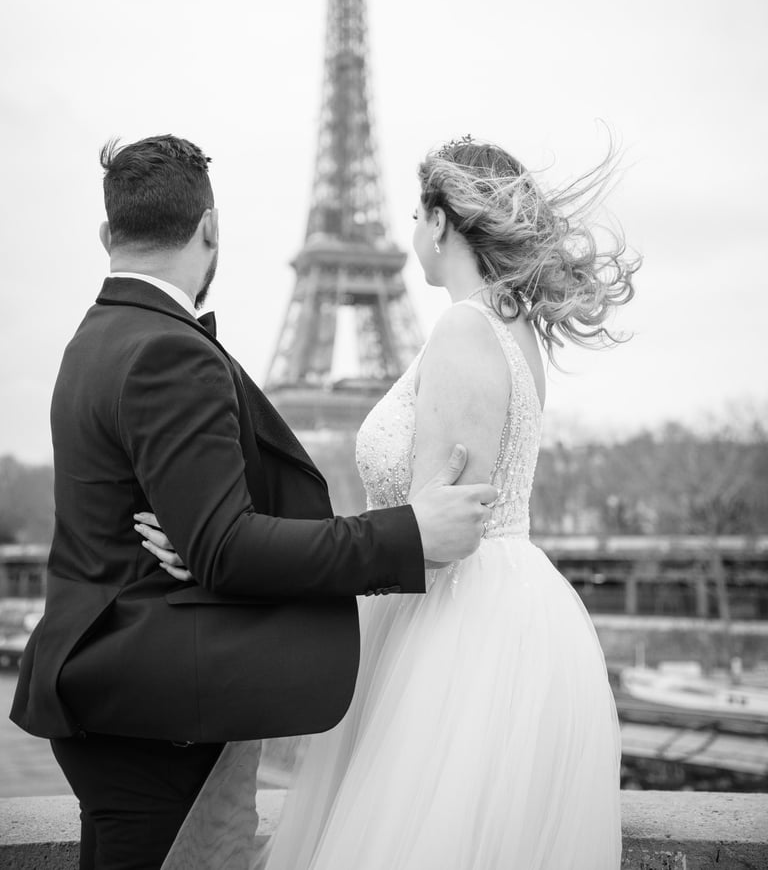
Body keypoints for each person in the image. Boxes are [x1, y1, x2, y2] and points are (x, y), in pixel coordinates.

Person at [146, 135, 640, 870]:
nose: (410, 229)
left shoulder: (466, 326)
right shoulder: (511, 326)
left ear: (439, 222)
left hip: (449, 625)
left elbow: (430, 536)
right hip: (492, 615)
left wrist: (238, 551)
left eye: (415, 214)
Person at [10, 134, 496, 870]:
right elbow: (227, 549)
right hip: (158, 719)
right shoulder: (169, 350)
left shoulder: (93, 339)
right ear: (210, 226)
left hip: (106, 697)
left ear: (108, 235)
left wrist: (203, 538)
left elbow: (206, 538)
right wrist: (408, 535)